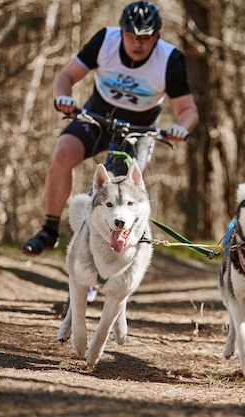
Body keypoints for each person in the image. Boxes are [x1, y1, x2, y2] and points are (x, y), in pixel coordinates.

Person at [21, 1, 199, 257]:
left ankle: (113, 253)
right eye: (131, 36)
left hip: (140, 130)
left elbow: (189, 111)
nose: (138, 44)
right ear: (121, 31)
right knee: (62, 152)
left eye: (146, 38)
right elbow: (65, 77)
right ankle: (49, 231)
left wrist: (181, 128)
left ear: (157, 36)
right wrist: (63, 97)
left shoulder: (170, 59)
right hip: (98, 117)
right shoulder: (105, 40)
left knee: (123, 187)